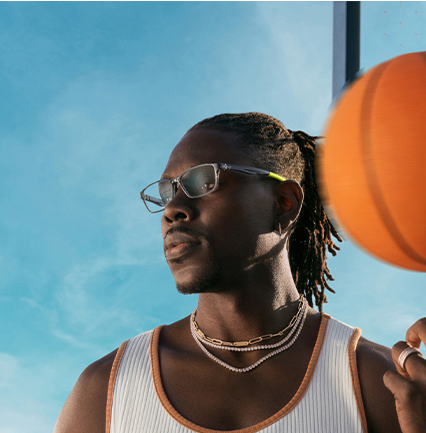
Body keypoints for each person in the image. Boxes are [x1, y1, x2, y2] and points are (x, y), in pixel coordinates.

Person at [54, 113, 426, 433]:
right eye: (167, 193)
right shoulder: (105, 391)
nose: (173, 210)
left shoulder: (382, 386)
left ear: (283, 203)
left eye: (203, 181)